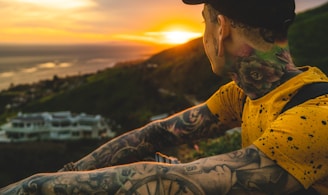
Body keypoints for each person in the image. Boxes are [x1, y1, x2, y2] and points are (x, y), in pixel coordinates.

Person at [1, 0, 327, 194]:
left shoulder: (315, 117)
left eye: (204, 23)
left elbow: (174, 180)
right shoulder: (246, 94)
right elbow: (157, 132)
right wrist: (70, 172)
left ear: (221, 29)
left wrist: (34, 187)